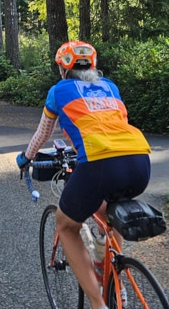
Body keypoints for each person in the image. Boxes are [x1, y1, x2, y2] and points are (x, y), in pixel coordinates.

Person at [17, 41, 151, 309]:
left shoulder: (58, 91)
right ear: (94, 65)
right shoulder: (110, 87)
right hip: (139, 161)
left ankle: (97, 303)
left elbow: (43, 133)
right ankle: (117, 285)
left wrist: (26, 158)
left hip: (99, 163)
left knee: (66, 225)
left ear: (62, 69)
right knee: (108, 211)